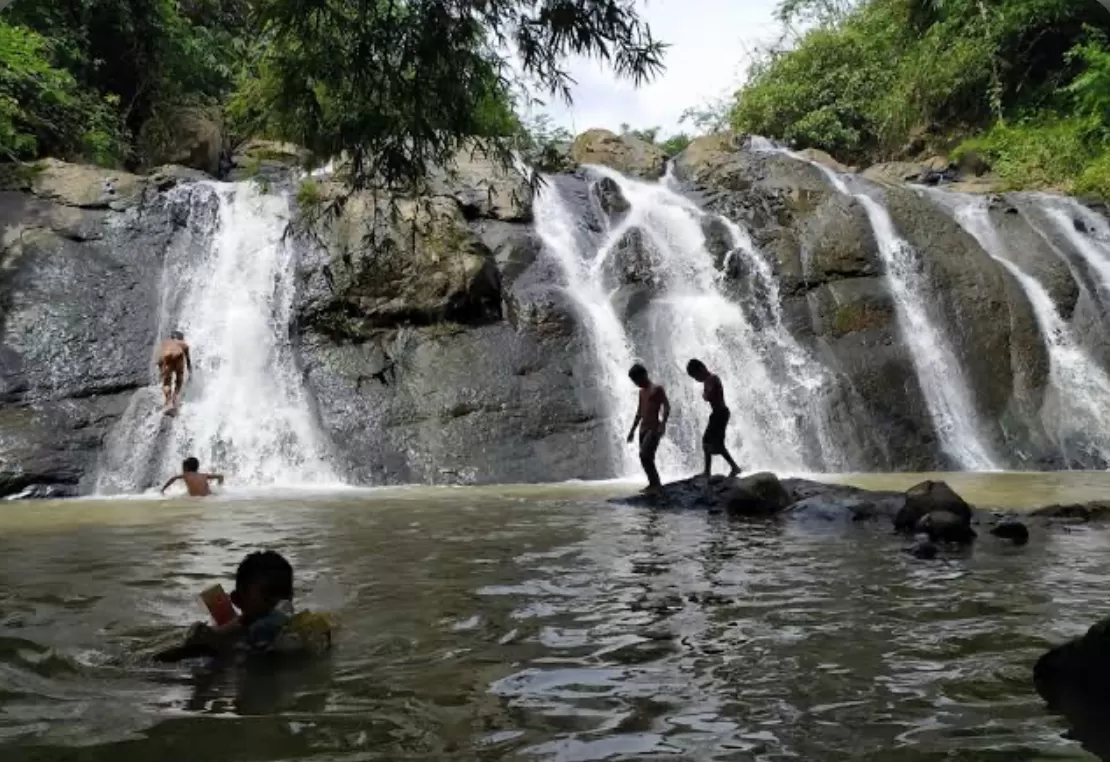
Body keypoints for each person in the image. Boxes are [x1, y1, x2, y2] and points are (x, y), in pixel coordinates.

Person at [154, 550, 334, 662]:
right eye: (267, 599)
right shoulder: (231, 640)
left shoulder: (296, 631)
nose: (279, 606)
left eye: (285, 596)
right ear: (238, 601)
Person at [686, 358, 741, 480]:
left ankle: (712, 471)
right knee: (712, 443)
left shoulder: (712, 378)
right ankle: (728, 468)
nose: (696, 379)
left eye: (696, 376)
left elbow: (708, 396)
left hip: (720, 413)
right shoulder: (708, 380)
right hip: (718, 413)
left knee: (710, 442)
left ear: (701, 368)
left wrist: (705, 395)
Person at [626, 363, 670, 496]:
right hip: (643, 429)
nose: (636, 383)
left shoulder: (657, 389)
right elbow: (639, 412)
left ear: (644, 375)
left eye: (637, 380)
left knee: (644, 455)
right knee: (646, 458)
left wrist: (663, 423)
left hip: (654, 427)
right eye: (634, 381)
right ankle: (652, 483)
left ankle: (656, 484)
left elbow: (666, 406)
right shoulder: (641, 392)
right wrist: (632, 430)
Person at [156, 331, 192, 413]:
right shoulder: (183, 344)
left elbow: (159, 359)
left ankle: (168, 402)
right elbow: (188, 360)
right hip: (178, 356)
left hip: (166, 358)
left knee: (166, 383)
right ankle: (175, 401)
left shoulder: (165, 343)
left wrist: (161, 370)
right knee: (179, 379)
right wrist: (190, 372)